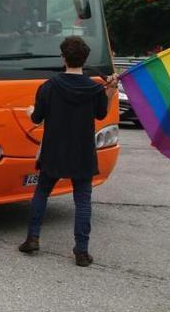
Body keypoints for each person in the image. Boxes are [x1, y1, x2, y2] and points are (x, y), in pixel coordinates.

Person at [19, 36, 117, 266]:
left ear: (63, 57)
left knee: (41, 193)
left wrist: (29, 111)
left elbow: (36, 117)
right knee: (83, 202)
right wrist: (110, 91)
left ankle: (33, 238)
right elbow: (101, 114)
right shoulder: (94, 88)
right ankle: (81, 251)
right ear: (85, 59)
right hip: (82, 152)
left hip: (54, 151)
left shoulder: (49, 86)